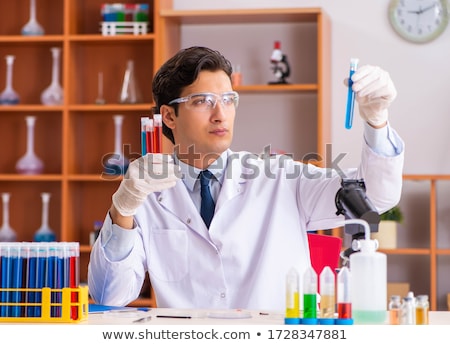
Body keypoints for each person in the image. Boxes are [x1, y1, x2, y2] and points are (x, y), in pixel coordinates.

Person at [88, 46, 404, 310]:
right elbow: (108, 296)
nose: (220, 114)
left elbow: (374, 197)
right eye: (202, 101)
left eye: (228, 99)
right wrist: (123, 209)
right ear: (168, 116)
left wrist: (377, 123)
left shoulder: (281, 177)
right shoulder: (145, 193)